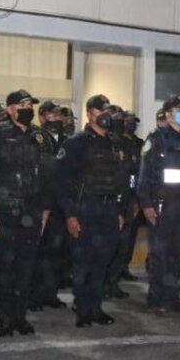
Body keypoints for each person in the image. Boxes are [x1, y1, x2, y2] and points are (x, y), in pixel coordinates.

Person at [0, 89, 54, 336]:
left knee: (26, 268)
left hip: (32, 212)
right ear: (10, 109)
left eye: (29, 104)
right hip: (5, 213)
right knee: (5, 268)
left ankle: (21, 316)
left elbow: (47, 177)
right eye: (21, 104)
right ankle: (6, 316)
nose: (27, 108)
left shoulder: (41, 137)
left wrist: (45, 209)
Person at [57, 94, 128, 326]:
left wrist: (119, 211)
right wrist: (70, 214)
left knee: (102, 262)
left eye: (107, 110)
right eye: (100, 111)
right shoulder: (75, 144)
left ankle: (96, 307)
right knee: (83, 262)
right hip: (84, 209)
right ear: (89, 114)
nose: (105, 115)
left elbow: (121, 181)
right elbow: (62, 183)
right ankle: (83, 308)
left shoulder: (115, 143)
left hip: (108, 210)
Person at [138, 95, 180, 312]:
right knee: (159, 254)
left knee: (175, 253)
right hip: (161, 206)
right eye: (179, 109)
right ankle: (156, 298)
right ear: (168, 113)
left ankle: (171, 296)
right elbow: (144, 176)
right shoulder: (156, 140)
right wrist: (146, 205)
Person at [31, 99, 69, 312]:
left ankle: (50, 293)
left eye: (58, 115)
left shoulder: (67, 141)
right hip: (39, 205)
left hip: (60, 205)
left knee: (56, 253)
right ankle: (34, 295)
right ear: (42, 116)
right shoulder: (35, 138)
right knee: (37, 253)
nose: (56, 119)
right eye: (51, 115)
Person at [105, 107, 145, 297]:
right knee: (108, 245)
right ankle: (103, 283)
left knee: (123, 244)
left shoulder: (128, 144)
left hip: (127, 200)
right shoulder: (105, 143)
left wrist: (136, 199)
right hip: (109, 201)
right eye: (117, 118)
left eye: (122, 118)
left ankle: (113, 281)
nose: (121, 122)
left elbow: (135, 174)